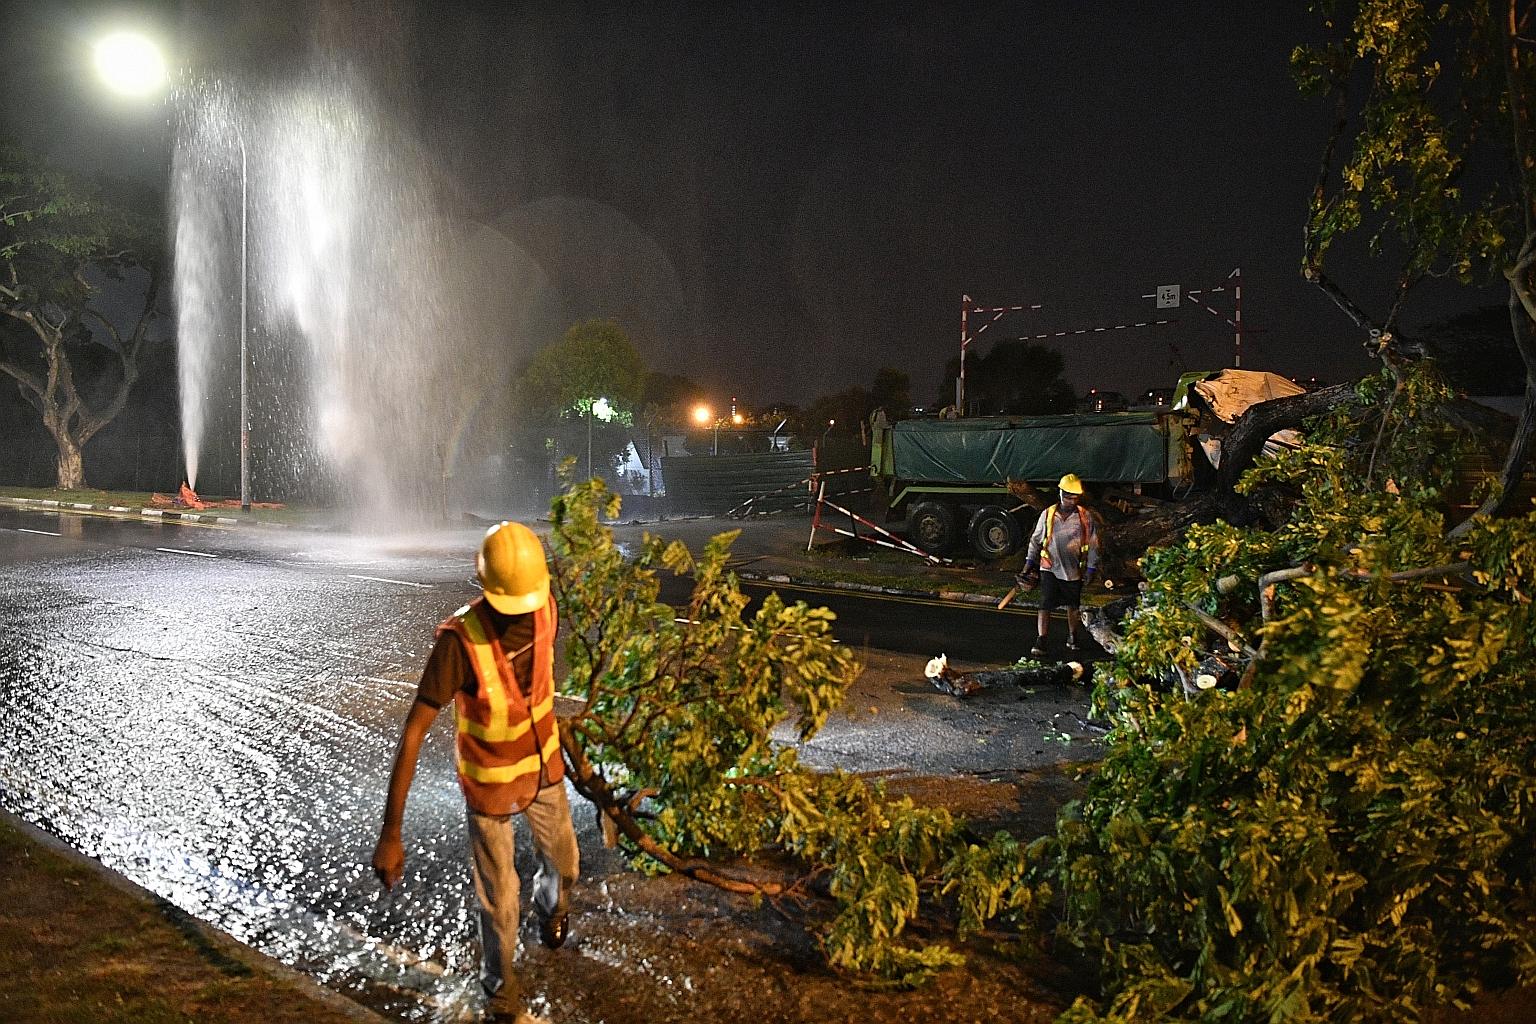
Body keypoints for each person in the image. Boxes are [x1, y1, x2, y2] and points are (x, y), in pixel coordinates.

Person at [372, 521, 579, 1024]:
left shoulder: (546, 606)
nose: (525, 615)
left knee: (566, 866)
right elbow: (414, 731)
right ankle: (501, 998)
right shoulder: (460, 642)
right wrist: (391, 832)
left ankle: (551, 907)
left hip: (544, 768)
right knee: (500, 900)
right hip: (488, 784)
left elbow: (541, 692)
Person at [1019, 473, 1099, 657]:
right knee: (1045, 604)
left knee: (1073, 605)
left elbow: (1094, 544)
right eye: (1068, 496)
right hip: (1049, 567)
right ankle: (1042, 639)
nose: (1071, 500)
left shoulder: (1085, 517)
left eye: (1075, 497)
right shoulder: (1048, 515)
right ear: (1061, 493)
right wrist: (1029, 565)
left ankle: (1073, 636)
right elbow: (1036, 541)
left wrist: (1091, 568)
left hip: (1073, 570)